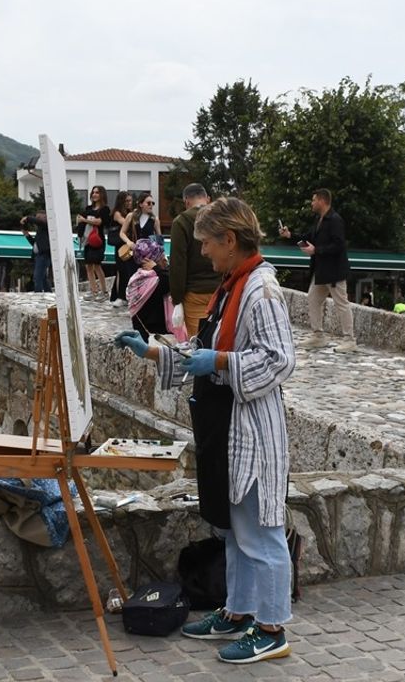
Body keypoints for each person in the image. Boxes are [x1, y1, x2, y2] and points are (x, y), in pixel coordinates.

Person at [113, 196, 296, 665]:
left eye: (209, 245)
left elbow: (279, 360)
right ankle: (237, 612)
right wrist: (154, 352)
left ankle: (272, 629)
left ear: (230, 240)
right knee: (234, 532)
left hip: (251, 433)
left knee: (262, 534)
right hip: (226, 429)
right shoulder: (232, 285)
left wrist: (218, 361)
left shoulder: (262, 291)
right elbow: (203, 346)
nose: (205, 254)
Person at [279, 188, 354, 352]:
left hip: (334, 271)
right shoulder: (320, 220)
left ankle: (349, 339)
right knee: (313, 299)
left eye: (313, 200)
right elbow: (308, 237)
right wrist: (290, 235)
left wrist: (317, 250)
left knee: (342, 303)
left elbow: (339, 245)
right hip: (320, 271)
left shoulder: (335, 220)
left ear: (322, 200)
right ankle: (318, 336)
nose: (312, 203)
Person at [170, 183, 221, 337]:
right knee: (221, 339)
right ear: (208, 199)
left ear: (186, 201)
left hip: (195, 293)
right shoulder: (221, 219)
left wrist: (177, 299)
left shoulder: (181, 222)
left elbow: (178, 263)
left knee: (199, 341)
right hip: (222, 290)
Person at [125, 237, 178, 342]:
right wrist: (156, 268)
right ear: (150, 261)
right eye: (161, 257)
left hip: (143, 332)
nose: (165, 259)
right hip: (157, 335)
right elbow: (172, 282)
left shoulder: (136, 278)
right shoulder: (154, 281)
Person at [76, 186, 111, 301]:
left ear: (102, 195)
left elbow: (99, 222)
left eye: (97, 192)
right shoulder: (88, 208)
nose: (95, 194)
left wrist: (84, 220)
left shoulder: (105, 209)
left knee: (97, 265)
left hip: (97, 240)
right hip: (86, 239)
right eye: (93, 192)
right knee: (88, 266)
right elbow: (80, 220)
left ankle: (104, 291)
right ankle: (93, 290)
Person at [109, 191, 135, 306]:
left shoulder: (130, 213)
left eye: (130, 201)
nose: (129, 203)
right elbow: (126, 224)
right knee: (121, 270)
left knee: (128, 270)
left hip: (129, 244)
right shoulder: (117, 213)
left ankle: (125, 295)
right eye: (127, 201)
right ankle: (120, 296)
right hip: (121, 245)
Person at [21, 209, 52, 293]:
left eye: (39, 217)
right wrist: (27, 235)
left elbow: (38, 222)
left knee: (37, 276)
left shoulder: (47, 225)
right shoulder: (40, 231)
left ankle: (38, 293)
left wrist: (27, 218)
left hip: (44, 254)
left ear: (45, 217)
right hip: (38, 255)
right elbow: (35, 244)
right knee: (43, 277)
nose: (37, 219)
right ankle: (48, 292)